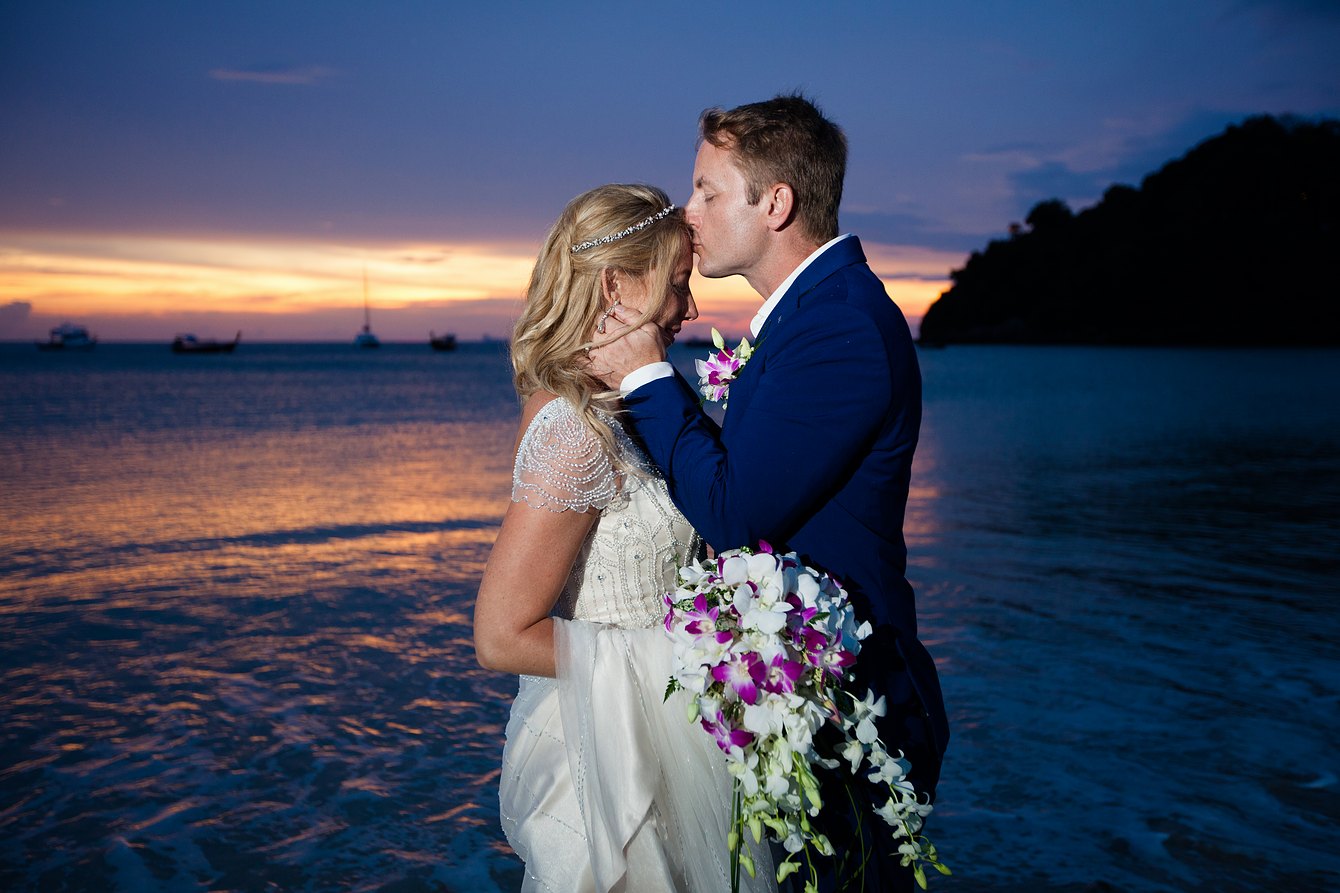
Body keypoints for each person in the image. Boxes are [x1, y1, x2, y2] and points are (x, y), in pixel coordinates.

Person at [587, 95, 950, 892]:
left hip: (854, 710)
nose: (689, 214)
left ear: (775, 202)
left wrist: (644, 371)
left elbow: (735, 513)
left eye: (708, 191)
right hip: (802, 698)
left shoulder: (841, 326)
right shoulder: (809, 317)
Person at [473, 183, 775, 892]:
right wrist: (687, 655)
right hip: (608, 763)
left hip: (663, 741)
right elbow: (500, 634)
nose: (690, 308)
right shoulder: (574, 429)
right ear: (616, 284)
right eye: (676, 284)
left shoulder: (621, 411)